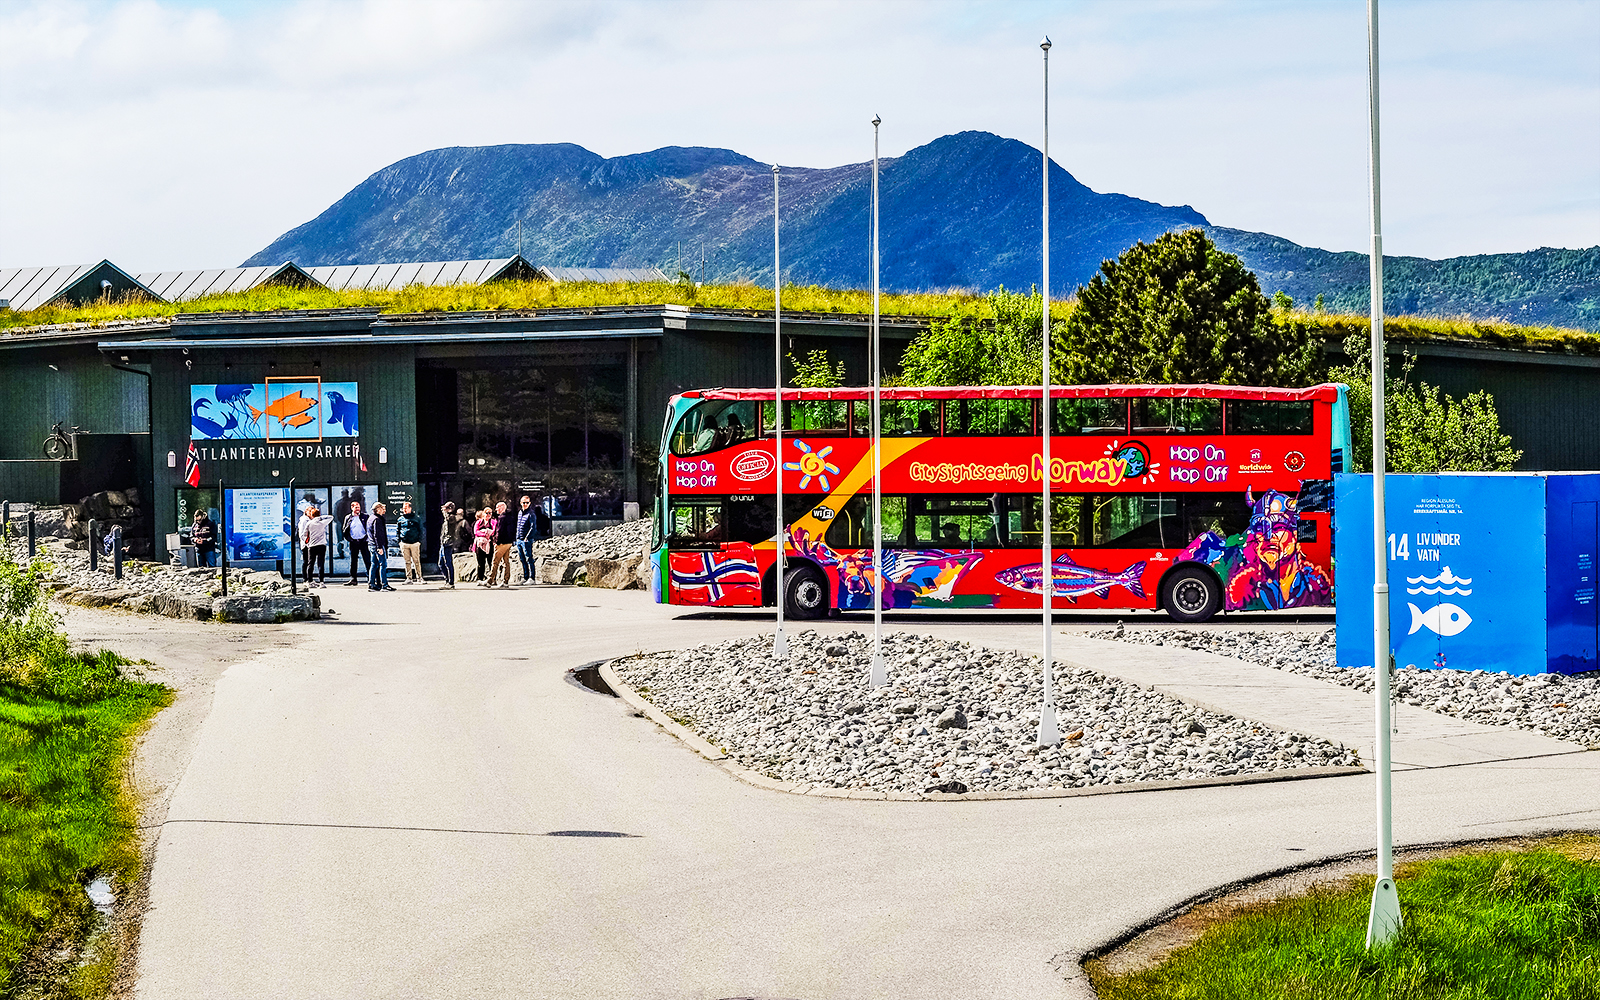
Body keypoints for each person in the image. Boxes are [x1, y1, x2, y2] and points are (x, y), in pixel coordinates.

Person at [299, 505, 332, 587]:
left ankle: (309, 581)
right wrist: (320, 517)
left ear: (312, 515)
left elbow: (303, 535)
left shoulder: (309, 523)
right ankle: (321, 582)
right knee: (321, 564)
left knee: (310, 564)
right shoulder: (322, 523)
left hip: (312, 545)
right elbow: (330, 517)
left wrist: (307, 542)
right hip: (321, 545)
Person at [487, 500, 516, 588]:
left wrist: (496, 541)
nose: (496, 510)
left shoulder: (502, 518)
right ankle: (505, 581)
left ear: (502, 508)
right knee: (506, 561)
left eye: (497, 508)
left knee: (495, 561)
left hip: (502, 542)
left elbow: (499, 531)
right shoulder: (510, 517)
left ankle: (490, 580)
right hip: (509, 542)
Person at [343, 500, 371, 586]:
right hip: (354, 542)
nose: (358, 509)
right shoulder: (348, 518)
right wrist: (349, 539)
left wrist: (366, 538)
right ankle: (353, 579)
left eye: (359, 507)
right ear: (352, 508)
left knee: (367, 560)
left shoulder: (365, 516)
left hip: (363, 541)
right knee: (353, 561)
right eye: (356, 507)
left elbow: (369, 528)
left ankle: (371, 578)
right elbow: (344, 529)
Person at [367, 502, 393, 591]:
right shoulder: (377, 520)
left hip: (371, 545)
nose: (384, 511)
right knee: (383, 564)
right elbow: (377, 534)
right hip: (377, 546)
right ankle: (384, 585)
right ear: (378, 509)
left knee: (374, 565)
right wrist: (379, 547)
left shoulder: (371, 518)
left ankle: (371, 584)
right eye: (383, 509)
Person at [396, 500, 424, 584]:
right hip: (404, 543)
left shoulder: (416, 518)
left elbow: (421, 530)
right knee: (407, 561)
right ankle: (409, 578)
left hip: (414, 542)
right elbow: (398, 530)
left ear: (410, 508)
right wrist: (399, 541)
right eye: (403, 508)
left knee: (416, 561)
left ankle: (419, 577)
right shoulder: (400, 519)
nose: (404, 510)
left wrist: (419, 541)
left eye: (406, 508)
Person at [515, 495, 537, 585]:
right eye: (523, 503)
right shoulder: (520, 513)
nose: (525, 504)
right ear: (520, 503)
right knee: (522, 559)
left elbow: (533, 527)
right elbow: (518, 526)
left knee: (529, 558)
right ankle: (526, 577)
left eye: (527, 503)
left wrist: (527, 538)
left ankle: (532, 578)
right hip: (519, 539)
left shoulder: (531, 514)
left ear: (530, 503)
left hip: (526, 540)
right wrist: (516, 538)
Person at [437, 502, 460, 588]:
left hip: (448, 543)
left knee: (448, 562)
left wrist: (445, 512)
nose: (443, 510)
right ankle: (447, 580)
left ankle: (451, 582)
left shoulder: (452, 518)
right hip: (443, 543)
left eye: (445, 508)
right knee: (441, 563)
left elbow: (448, 521)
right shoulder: (446, 518)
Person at [472, 507, 494, 584]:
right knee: (480, 562)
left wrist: (489, 534)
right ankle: (480, 578)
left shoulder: (493, 522)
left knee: (491, 561)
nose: (488, 515)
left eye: (490, 513)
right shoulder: (479, 522)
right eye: (486, 513)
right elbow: (476, 531)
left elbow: (494, 531)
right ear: (483, 514)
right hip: (480, 544)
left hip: (490, 543)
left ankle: (492, 578)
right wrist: (485, 533)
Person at [332, 488, 352, 558]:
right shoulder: (339, 503)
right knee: (341, 540)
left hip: (348, 523)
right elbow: (334, 514)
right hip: (341, 523)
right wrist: (338, 521)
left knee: (349, 539)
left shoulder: (350, 503)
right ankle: (341, 553)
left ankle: (349, 552)